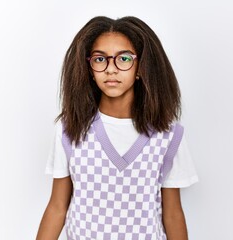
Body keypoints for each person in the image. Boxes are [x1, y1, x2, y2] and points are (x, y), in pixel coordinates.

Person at [36, 16, 198, 240]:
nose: (111, 69)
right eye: (100, 59)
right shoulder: (69, 130)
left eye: (123, 58)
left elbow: (172, 214)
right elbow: (57, 207)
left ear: (141, 67)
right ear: (89, 68)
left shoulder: (168, 135)